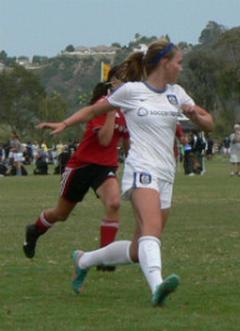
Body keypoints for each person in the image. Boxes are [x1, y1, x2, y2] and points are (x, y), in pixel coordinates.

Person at [37, 40, 213, 306]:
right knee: (151, 229)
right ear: (165, 63)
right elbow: (94, 109)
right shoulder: (131, 91)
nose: (181, 66)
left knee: (137, 249)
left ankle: (84, 259)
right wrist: (64, 122)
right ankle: (157, 287)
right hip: (141, 169)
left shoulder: (177, 93)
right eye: (178, 61)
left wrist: (196, 116)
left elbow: (208, 122)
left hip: (166, 174)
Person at [23, 68, 130, 272]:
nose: (128, 84)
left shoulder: (129, 110)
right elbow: (105, 139)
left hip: (105, 167)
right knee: (61, 214)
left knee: (114, 203)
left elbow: (127, 142)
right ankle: (34, 230)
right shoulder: (103, 105)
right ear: (112, 83)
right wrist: (110, 111)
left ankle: (105, 257)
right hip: (82, 166)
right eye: (123, 80)